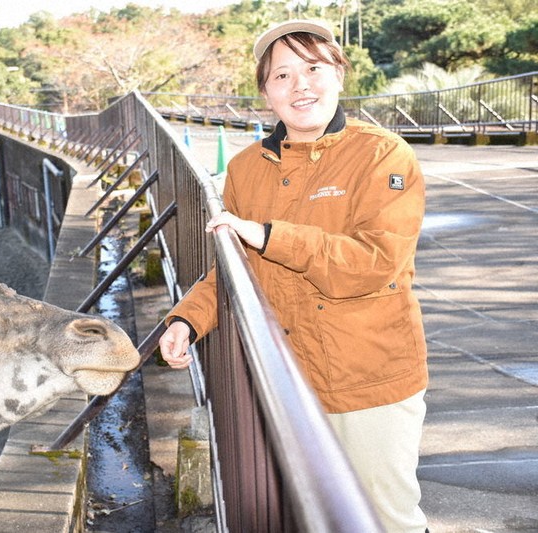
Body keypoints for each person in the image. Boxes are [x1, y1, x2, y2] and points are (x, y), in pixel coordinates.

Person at [158, 19, 429, 533]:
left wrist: (269, 233)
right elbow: (237, 270)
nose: (300, 85)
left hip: (367, 379)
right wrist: (187, 321)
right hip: (286, 379)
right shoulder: (245, 168)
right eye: (281, 76)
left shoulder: (383, 155)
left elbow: (374, 262)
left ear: (339, 76)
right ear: (266, 94)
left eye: (313, 68)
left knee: (382, 518)